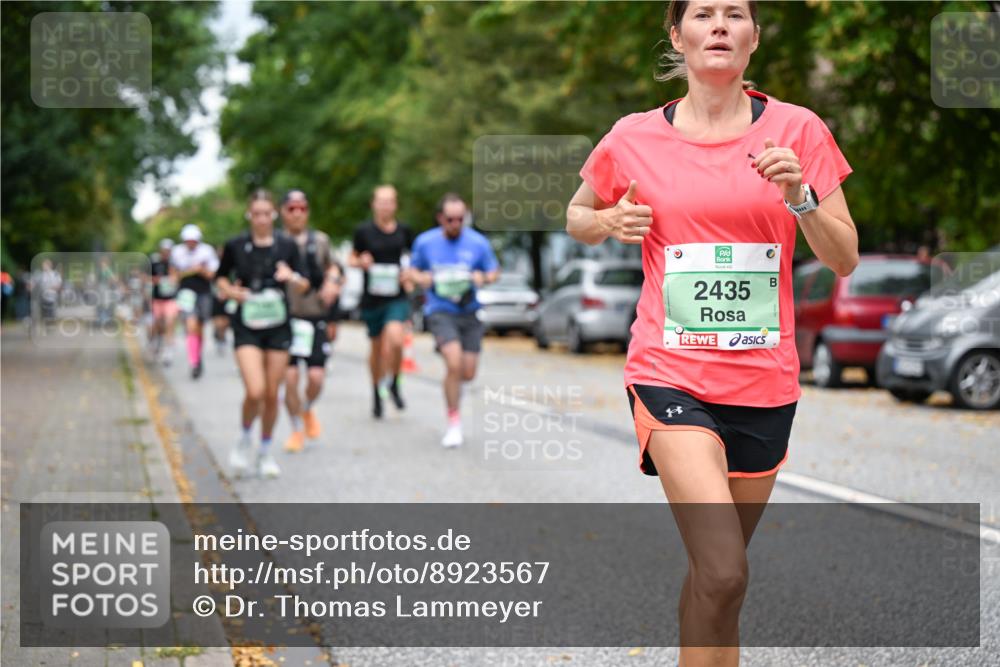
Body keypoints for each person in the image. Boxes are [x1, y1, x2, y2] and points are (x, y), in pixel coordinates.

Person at [566, 2, 858, 664]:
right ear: (678, 35)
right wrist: (609, 222)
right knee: (724, 569)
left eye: (735, 14)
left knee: (716, 582)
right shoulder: (633, 136)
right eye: (703, 13)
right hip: (669, 373)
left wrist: (801, 195)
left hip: (764, 383)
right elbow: (577, 216)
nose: (720, 25)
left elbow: (843, 258)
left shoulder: (799, 131)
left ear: (754, 38)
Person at [215, 189, 312, 478]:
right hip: (247, 325)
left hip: (278, 325)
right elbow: (221, 279)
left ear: (274, 215)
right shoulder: (236, 245)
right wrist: (232, 291)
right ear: (249, 215)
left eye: (266, 214)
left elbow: (305, 284)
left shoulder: (287, 246)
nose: (261, 219)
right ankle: (245, 436)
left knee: (272, 395)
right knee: (255, 391)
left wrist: (291, 277)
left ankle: (265, 450)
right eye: (256, 214)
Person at [409, 193, 499, 447]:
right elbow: (412, 271)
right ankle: (454, 422)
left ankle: (454, 384)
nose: (456, 224)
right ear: (440, 218)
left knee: (467, 373)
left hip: (469, 312)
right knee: (454, 362)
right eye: (450, 219)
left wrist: (484, 277)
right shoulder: (425, 242)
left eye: (460, 219)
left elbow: (494, 271)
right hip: (440, 310)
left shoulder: (478, 242)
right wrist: (421, 278)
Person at [279, 189, 342, 453]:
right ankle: (295, 429)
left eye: (302, 208)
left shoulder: (320, 240)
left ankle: (306, 409)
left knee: (315, 378)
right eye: (291, 208)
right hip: (285, 319)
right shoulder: (276, 242)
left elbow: (335, 267)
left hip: (315, 317)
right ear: (283, 212)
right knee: (290, 378)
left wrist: (333, 282)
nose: (297, 213)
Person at [350, 184, 414, 418]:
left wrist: (410, 276)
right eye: (381, 201)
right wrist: (361, 261)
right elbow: (352, 258)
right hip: (373, 297)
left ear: (395, 205)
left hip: (396, 296)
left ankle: (394, 381)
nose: (385, 206)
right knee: (377, 349)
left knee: (396, 340)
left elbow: (414, 260)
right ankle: (376, 391)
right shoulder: (363, 231)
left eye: (389, 201)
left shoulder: (404, 231)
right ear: (373, 204)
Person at [171, 224, 220, 379]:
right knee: (191, 326)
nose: (191, 243)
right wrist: (188, 271)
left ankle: (198, 356)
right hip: (186, 294)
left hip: (204, 293)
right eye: (188, 240)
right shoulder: (177, 252)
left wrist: (201, 270)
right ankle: (194, 362)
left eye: (193, 240)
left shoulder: (207, 251)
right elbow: (173, 275)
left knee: (199, 328)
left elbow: (213, 274)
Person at [149, 239, 180, 365]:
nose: (166, 252)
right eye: (164, 250)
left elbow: (179, 278)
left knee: (169, 323)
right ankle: (156, 341)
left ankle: (168, 350)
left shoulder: (175, 264)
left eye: (168, 250)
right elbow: (146, 277)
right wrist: (156, 280)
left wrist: (174, 278)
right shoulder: (155, 263)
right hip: (157, 299)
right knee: (157, 324)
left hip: (171, 299)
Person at [210, 244, 232, 356]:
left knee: (227, 322)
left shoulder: (232, 265)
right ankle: (219, 339)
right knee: (218, 322)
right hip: (215, 297)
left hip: (229, 297)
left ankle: (221, 337)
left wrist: (228, 292)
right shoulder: (213, 265)